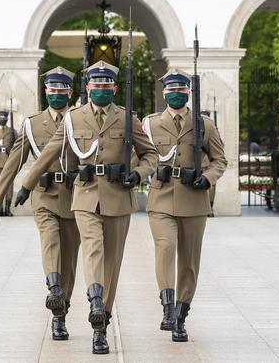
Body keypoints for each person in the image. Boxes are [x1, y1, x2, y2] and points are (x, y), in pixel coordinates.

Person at [14, 61, 159, 355]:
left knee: (111, 262)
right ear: (88, 88)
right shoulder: (73, 118)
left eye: (107, 86)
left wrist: (139, 173)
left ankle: (101, 321)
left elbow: (150, 155)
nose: (102, 90)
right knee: (93, 248)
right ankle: (95, 304)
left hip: (118, 196)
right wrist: (27, 185)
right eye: (97, 86)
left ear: (114, 89)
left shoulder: (127, 118)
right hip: (84, 196)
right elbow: (48, 154)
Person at [0, 67, 81, 341]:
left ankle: (61, 313)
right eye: (52, 90)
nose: (56, 95)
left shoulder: (79, 120)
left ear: (69, 93)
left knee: (70, 261)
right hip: (44, 194)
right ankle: (53, 289)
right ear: (46, 92)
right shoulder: (32, 123)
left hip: (74, 197)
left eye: (62, 91)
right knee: (49, 240)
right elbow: (13, 162)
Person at [142, 68, 227, 342]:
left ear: (188, 92)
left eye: (181, 90)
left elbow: (220, 160)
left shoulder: (204, 124)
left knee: (189, 262)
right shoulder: (150, 124)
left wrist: (207, 178)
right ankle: (167, 306)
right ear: (164, 92)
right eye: (171, 90)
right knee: (165, 248)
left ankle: (180, 316)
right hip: (162, 196)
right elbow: (139, 155)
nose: (176, 94)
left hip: (194, 199)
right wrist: (147, 170)